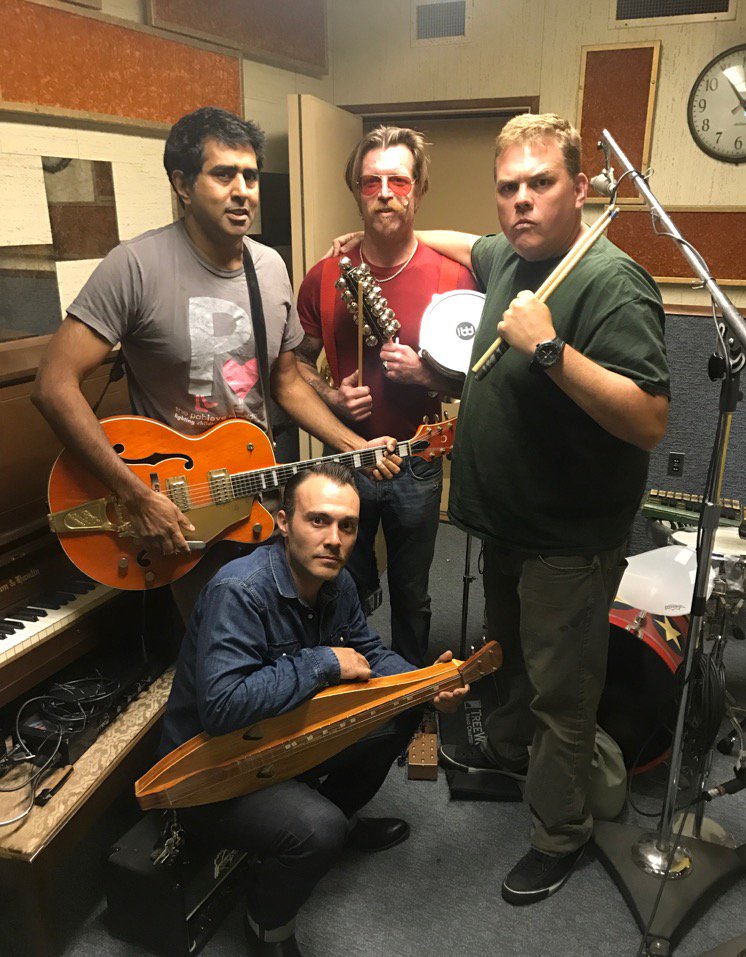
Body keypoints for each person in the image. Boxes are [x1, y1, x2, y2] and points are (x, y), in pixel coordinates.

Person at [406, 113, 670, 904]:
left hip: (567, 541)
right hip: (507, 527)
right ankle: (515, 755)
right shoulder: (509, 256)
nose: (521, 200)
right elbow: (468, 243)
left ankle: (561, 834)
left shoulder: (611, 281)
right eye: (508, 187)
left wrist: (550, 350)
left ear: (579, 188)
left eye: (541, 183)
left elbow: (648, 418)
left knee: (562, 693)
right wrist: (394, 237)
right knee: (511, 658)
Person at [32, 107, 400, 617]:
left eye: (250, 176)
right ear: (182, 185)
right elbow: (53, 385)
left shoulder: (269, 268)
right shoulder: (134, 266)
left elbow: (287, 382)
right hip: (181, 503)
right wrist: (134, 494)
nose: (242, 190)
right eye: (223, 174)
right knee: (217, 642)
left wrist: (355, 446)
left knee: (284, 628)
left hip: (257, 493)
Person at [158, 464, 467, 957]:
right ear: (283, 522)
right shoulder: (238, 591)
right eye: (318, 521)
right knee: (315, 830)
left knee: (400, 713)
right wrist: (322, 662)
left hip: (283, 745)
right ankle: (268, 929)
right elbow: (223, 707)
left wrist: (424, 684)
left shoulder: (336, 582)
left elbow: (369, 654)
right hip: (214, 772)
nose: (334, 539)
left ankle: (332, 824)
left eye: (347, 526)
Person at [295, 126, 475, 666]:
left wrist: (427, 376)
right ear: (356, 191)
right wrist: (330, 396)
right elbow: (295, 366)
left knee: (412, 594)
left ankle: (411, 693)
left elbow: (478, 381)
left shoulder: (454, 276)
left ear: (419, 189)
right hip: (343, 457)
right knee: (336, 585)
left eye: (398, 180)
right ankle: (344, 686)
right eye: (371, 181)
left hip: (416, 461)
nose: (385, 193)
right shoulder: (324, 276)